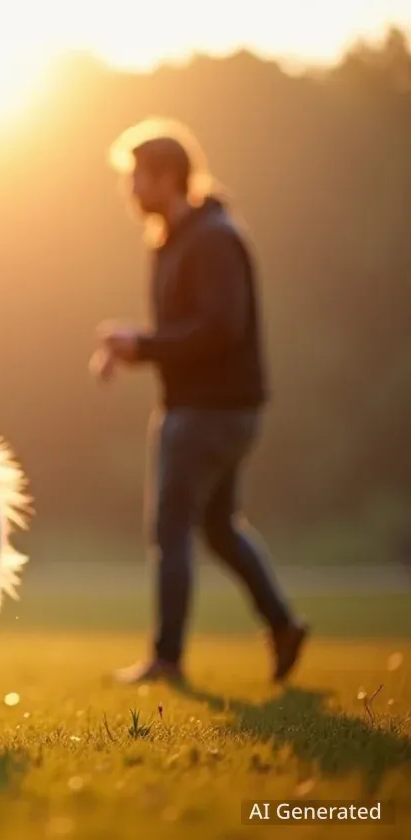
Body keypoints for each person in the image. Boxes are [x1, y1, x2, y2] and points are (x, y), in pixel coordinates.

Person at [93, 117, 308, 684]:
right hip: (218, 408)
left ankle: (167, 659)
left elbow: (220, 327)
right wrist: (135, 348)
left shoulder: (212, 239)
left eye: (138, 177)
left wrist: (143, 345)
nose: (130, 189)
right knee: (218, 528)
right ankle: (284, 625)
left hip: (207, 412)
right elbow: (197, 328)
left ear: (168, 177)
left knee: (171, 530)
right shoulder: (181, 238)